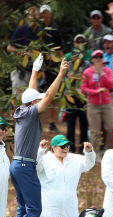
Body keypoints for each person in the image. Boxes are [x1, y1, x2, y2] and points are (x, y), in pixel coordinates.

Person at [3, 54, 69, 217]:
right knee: (34, 208)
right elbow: (48, 96)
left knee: (23, 208)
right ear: (33, 103)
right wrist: (60, 73)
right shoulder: (31, 113)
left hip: (17, 165)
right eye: (36, 100)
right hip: (25, 167)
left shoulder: (22, 110)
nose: (39, 101)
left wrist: (34, 72)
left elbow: (31, 94)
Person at [81, 49, 113, 156]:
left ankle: (109, 152)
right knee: (95, 131)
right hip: (93, 105)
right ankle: (94, 155)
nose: (99, 59)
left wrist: (102, 74)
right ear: (92, 60)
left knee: (111, 128)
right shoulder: (87, 72)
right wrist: (95, 91)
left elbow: (111, 85)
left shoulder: (108, 71)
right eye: (96, 57)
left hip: (106, 103)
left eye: (101, 57)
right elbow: (83, 88)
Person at [39, 5, 65, 134]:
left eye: (48, 12)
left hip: (53, 67)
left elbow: (60, 49)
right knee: (35, 95)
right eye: (43, 12)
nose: (46, 15)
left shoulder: (55, 29)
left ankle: (51, 122)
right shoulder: (37, 29)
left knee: (53, 95)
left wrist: (63, 64)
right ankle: (34, 120)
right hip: (37, 67)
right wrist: (40, 68)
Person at [6, 6, 41, 103]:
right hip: (20, 68)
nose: (33, 17)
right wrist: (24, 53)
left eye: (36, 15)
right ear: (27, 16)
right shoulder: (21, 30)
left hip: (34, 69)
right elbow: (9, 47)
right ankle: (15, 116)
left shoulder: (41, 32)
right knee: (18, 96)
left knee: (34, 97)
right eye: (31, 15)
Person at [65, 36, 91, 153]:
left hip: (83, 97)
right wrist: (67, 78)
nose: (76, 58)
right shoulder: (67, 65)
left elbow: (89, 79)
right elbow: (61, 81)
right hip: (70, 97)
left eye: (79, 55)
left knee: (84, 124)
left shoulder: (87, 65)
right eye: (74, 55)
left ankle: (83, 149)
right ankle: (70, 148)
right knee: (70, 124)